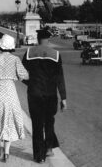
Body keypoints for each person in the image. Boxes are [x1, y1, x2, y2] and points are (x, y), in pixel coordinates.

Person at [0, 34, 29, 163]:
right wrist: (17, 76)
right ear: (12, 46)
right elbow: (24, 75)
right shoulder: (15, 59)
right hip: (11, 91)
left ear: (0, 45)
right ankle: (7, 152)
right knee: (10, 119)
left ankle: (0, 147)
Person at [22, 29, 67, 164]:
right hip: (50, 94)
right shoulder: (56, 55)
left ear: (37, 39)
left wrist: (31, 83)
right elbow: (60, 78)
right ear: (48, 39)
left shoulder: (29, 53)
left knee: (36, 124)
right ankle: (48, 148)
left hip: (34, 93)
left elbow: (22, 74)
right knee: (49, 121)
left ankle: (38, 156)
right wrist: (63, 98)